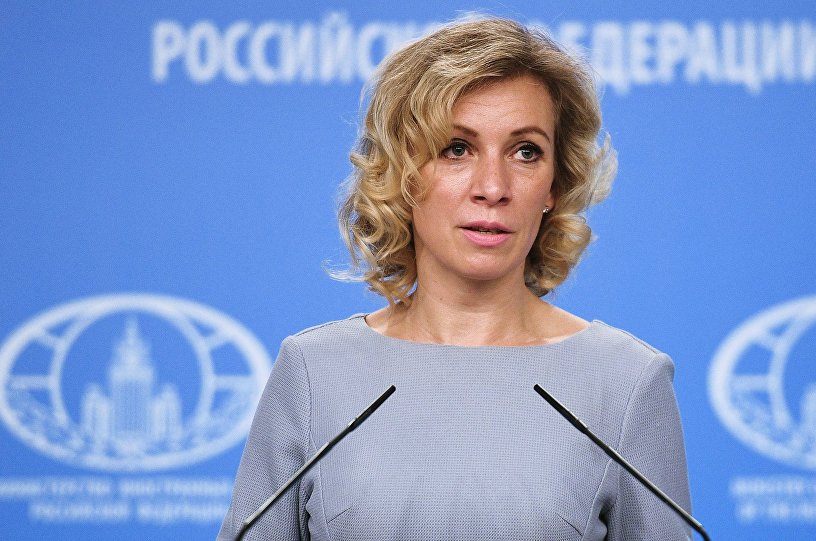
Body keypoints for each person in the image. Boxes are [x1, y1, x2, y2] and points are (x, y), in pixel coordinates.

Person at [219, 16, 692, 541]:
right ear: (402, 173)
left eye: (526, 151)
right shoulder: (314, 373)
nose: (493, 187)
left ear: (554, 185)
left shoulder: (626, 381)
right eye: (457, 148)